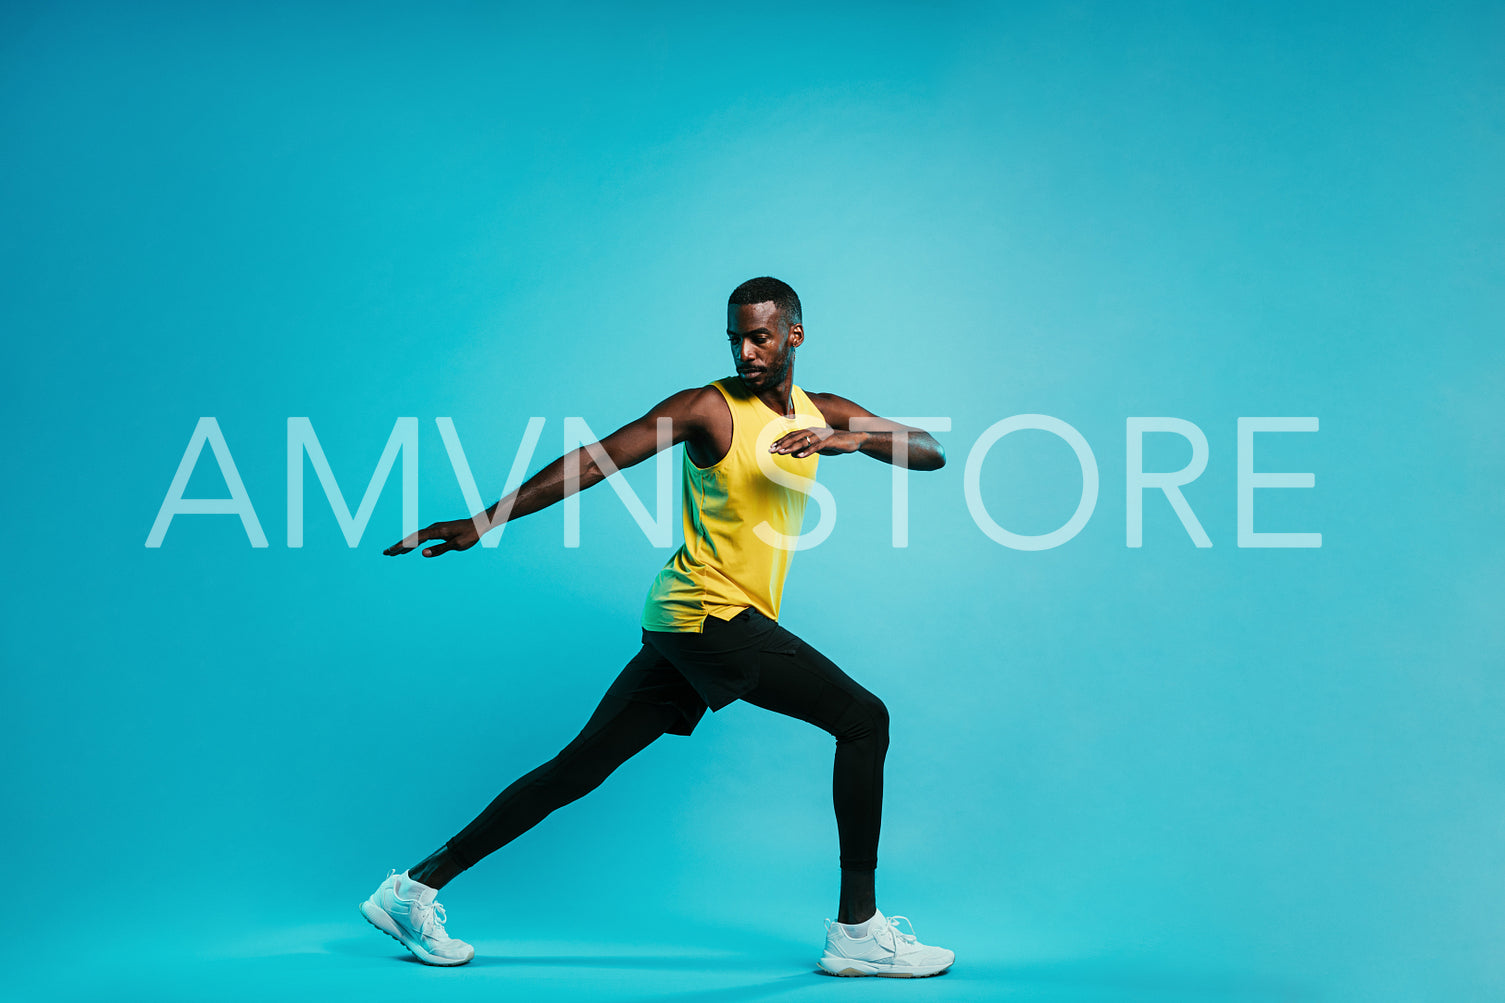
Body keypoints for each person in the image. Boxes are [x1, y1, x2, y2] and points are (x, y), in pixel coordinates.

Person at [360, 277, 955, 978]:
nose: (744, 350)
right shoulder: (708, 408)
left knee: (575, 768)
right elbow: (595, 460)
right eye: (734, 335)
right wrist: (483, 520)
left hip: (685, 623)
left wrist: (849, 439)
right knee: (863, 718)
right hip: (709, 614)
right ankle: (857, 929)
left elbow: (926, 449)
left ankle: (413, 888)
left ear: (794, 334)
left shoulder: (820, 411)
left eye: (759, 335)